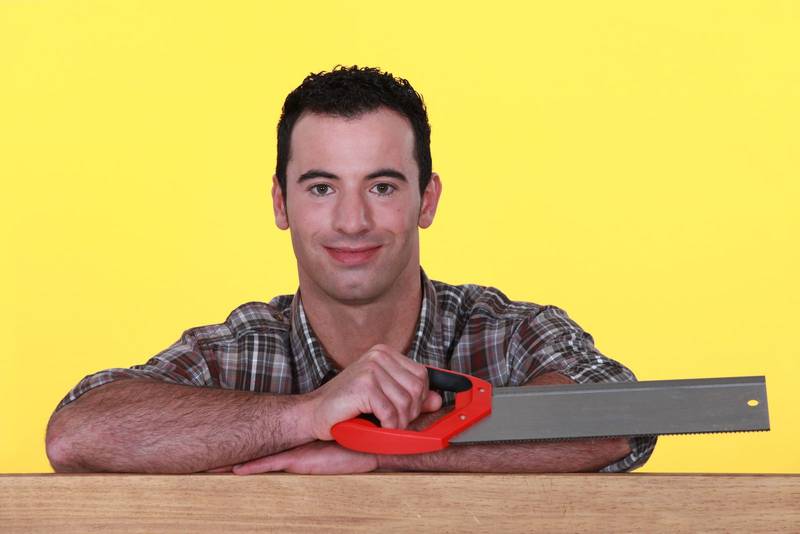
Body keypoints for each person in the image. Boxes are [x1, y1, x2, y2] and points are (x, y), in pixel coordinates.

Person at [45, 65, 657, 475]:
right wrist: (307, 415)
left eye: (382, 186)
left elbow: (623, 418)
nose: (352, 220)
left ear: (427, 200)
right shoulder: (235, 352)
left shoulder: (507, 332)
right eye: (321, 188)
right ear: (281, 203)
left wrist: (381, 451)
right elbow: (76, 435)